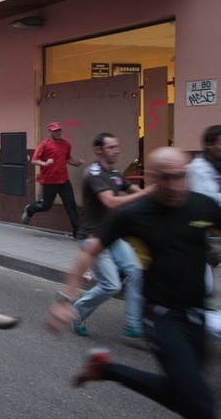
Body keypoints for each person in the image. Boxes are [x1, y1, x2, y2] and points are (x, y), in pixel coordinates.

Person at [47, 147, 219, 419]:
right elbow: (89, 251)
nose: (175, 186)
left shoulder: (202, 205)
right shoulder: (135, 214)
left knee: (186, 394)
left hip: (198, 316)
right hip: (162, 319)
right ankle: (109, 370)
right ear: (152, 177)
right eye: (166, 178)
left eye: (180, 176)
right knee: (201, 406)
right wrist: (65, 300)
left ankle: (107, 369)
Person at [71, 133, 154, 338]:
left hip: (112, 235)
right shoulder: (95, 172)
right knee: (111, 285)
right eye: (111, 147)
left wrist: (152, 199)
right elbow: (110, 201)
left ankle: (134, 325)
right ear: (98, 150)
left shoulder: (114, 172)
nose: (116, 151)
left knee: (136, 272)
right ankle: (77, 312)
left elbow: (132, 189)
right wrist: (144, 194)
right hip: (92, 238)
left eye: (117, 147)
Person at [22, 122, 84, 237]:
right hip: (49, 181)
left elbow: (67, 158)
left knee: (71, 204)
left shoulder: (66, 144)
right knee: (46, 206)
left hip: (64, 180)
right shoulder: (44, 145)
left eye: (59, 130)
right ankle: (30, 209)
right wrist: (45, 163)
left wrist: (76, 164)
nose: (57, 133)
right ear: (49, 132)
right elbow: (34, 160)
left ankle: (78, 232)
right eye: (55, 131)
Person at [188, 124, 221, 293]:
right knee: (206, 287)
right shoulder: (197, 169)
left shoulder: (216, 166)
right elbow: (206, 201)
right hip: (200, 231)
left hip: (213, 231)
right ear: (208, 145)